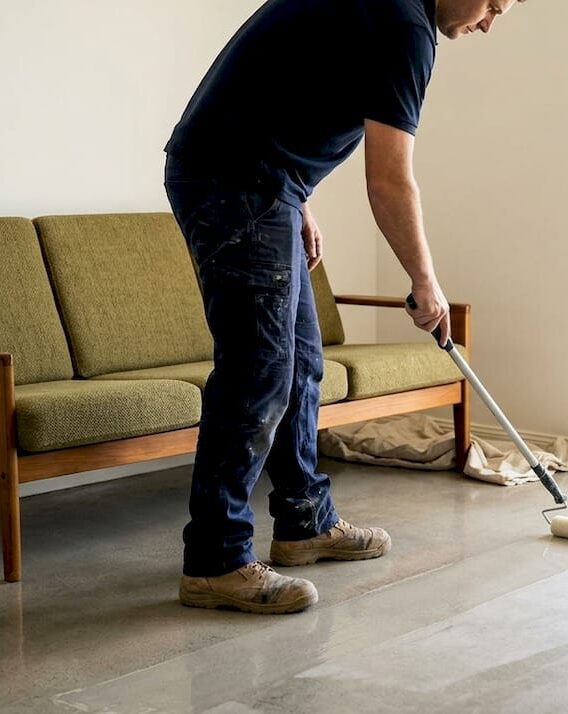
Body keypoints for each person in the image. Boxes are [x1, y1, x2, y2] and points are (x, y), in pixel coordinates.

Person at [163, 0, 522, 615]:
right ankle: (216, 561)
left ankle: (304, 523)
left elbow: (282, 85)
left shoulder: (384, 11)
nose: (489, 22)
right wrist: (425, 283)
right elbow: (388, 180)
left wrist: (296, 196)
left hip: (260, 178)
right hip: (233, 179)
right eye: (492, 4)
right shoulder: (405, 25)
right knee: (258, 371)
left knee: (302, 364)